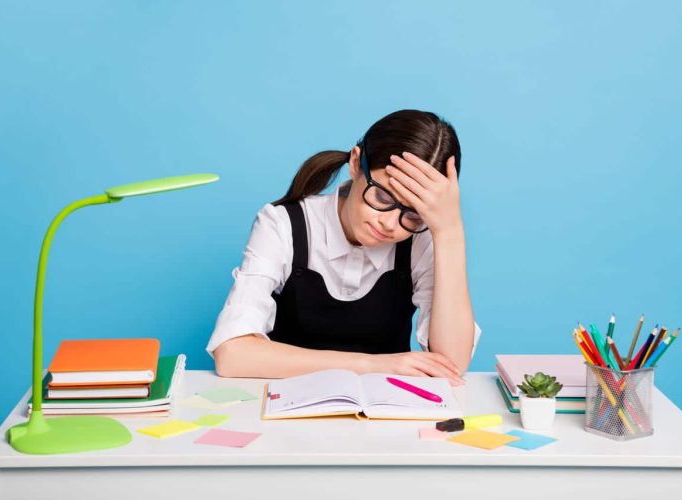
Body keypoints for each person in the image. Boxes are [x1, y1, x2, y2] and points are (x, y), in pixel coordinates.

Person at [206, 109, 480, 385]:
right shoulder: (283, 224)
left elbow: (451, 363)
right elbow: (232, 353)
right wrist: (370, 365)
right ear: (355, 162)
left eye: (412, 214)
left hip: (385, 412)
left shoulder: (420, 238)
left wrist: (449, 232)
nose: (389, 223)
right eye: (383, 196)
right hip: (285, 408)